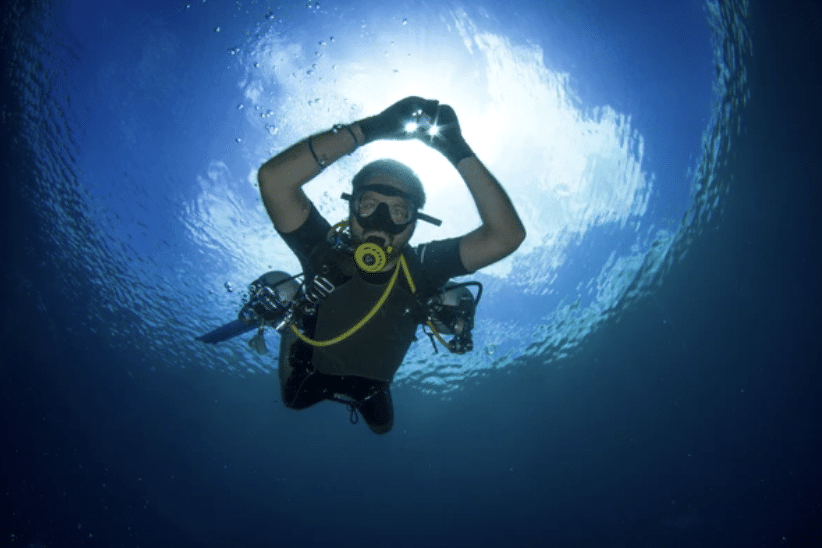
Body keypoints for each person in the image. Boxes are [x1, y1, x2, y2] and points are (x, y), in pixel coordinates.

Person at [256, 96, 525, 434]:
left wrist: (456, 148)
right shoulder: (325, 252)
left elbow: (506, 236)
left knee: (383, 427)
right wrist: (371, 129)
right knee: (293, 401)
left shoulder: (423, 267)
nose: (380, 222)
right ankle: (293, 311)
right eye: (369, 204)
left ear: (413, 224)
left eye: (399, 211)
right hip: (309, 373)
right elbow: (274, 182)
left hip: (372, 388)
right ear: (351, 211)